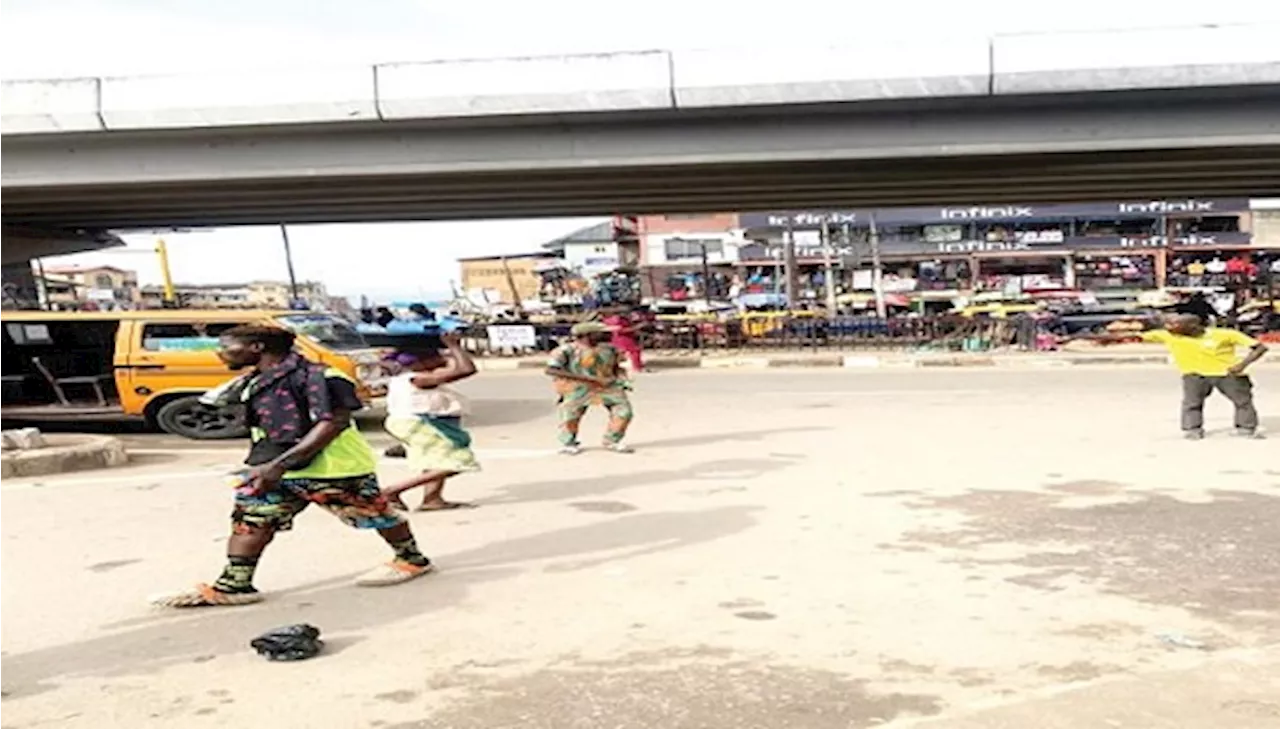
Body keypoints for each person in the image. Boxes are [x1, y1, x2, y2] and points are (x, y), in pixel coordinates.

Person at [153, 326, 433, 608]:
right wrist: (269, 466)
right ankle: (234, 585)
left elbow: (332, 423)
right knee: (250, 521)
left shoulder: (324, 377)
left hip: (333, 468)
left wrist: (278, 466)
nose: (220, 353)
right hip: (269, 467)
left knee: (376, 514)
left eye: (227, 346)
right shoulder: (255, 380)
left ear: (257, 347)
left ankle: (411, 559)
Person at [1102, 314, 1267, 440]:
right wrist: (1091, 338)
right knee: (1191, 403)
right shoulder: (1168, 335)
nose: (1169, 327)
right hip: (1193, 374)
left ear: (1193, 325)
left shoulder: (1225, 334)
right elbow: (1135, 337)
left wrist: (1243, 365)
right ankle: (1192, 430)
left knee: (1242, 402)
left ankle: (1246, 428)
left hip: (1227, 373)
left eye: (1175, 324)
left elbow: (1260, 348)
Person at [380, 333, 481, 511]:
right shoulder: (419, 379)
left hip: (408, 422)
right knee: (458, 462)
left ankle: (432, 499)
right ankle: (392, 491)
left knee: (433, 461)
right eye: (436, 357)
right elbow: (467, 369)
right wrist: (454, 346)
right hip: (419, 423)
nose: (441, 360)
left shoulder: (406, 378)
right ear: (420, 362)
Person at [546, 321, 634, 454]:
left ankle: (612, 440)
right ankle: (568, 442)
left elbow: (617, 365)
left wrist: (621, 380)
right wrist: (588, 379)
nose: (607, 334)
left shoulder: (610, 349)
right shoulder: (566, 350)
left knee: (624, 411)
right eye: (601, 333)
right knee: (571, 415)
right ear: (587, 335)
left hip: (607, 385)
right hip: (577, 387)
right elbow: (551, 370)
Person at [603, 307, 644, 373]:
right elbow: (621, 330)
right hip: (623, 339)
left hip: (622, 338)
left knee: (619, 354)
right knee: (634, 351)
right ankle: (637, 366)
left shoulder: (619, 319)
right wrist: (635, 328)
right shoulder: (617, 320)